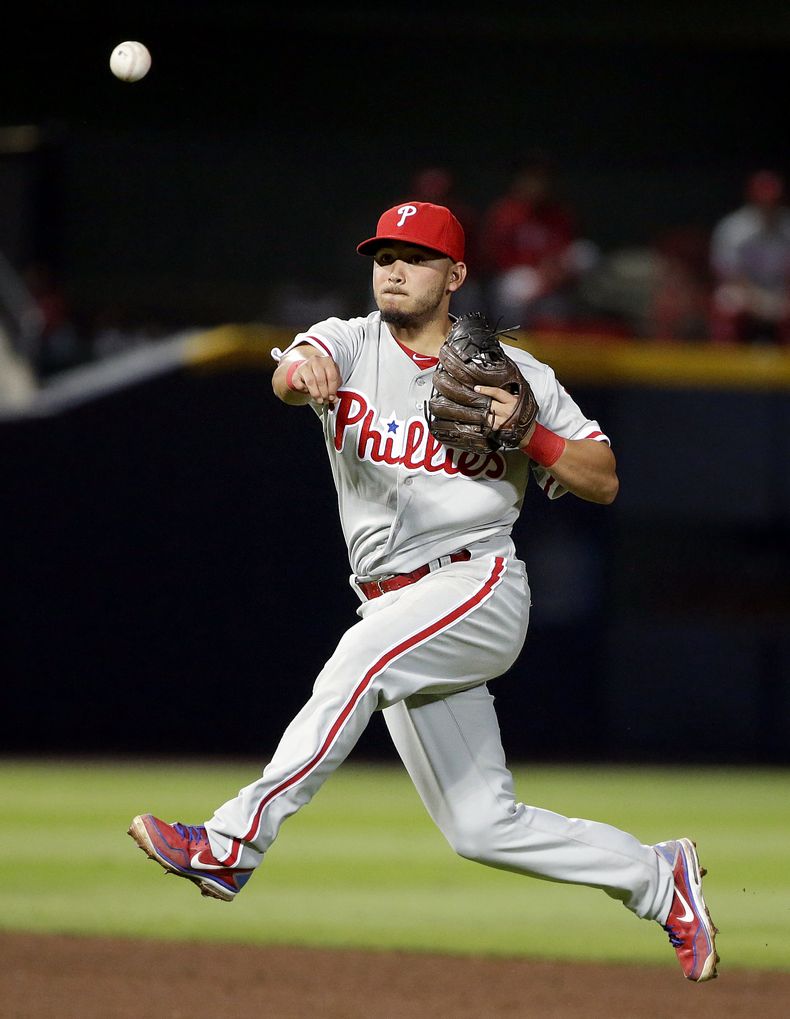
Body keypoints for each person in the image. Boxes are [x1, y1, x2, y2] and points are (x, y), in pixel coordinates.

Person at [128, 200, 719, 983]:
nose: (395, 270)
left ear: (456, 274)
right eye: (384, 258)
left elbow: (602, 478)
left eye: (415, 257)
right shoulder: (349, 341)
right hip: (393, 602)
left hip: (477, 582)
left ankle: (231, 844)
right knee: (481, 826)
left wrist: (532, 434)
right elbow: (290, 371)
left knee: (360, 660)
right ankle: (657, 876)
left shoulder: (512, 373)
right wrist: (301, 372)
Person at [478, 152, 596, 331]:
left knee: (586, 252)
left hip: (552, 276)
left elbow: (565, 249)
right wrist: (538, 271)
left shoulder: (559, 214)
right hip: (520, 276)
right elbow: (494, 256)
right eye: (532, 179)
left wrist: (552, 271)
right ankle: (512, 334)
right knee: (516, 286)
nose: (537, 185)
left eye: (542, 180)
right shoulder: (505, 212)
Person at [709, 169, 790, 345]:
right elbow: (729, 274)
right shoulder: (734, 227)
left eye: (773, 200)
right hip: (744, 290)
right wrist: (758, 300)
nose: (768, 205)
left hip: (780, 292)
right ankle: (727, 358)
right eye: (763, 200)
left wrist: (783, 298)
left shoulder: (787, 225)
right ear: (753, 198)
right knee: (726, 302)